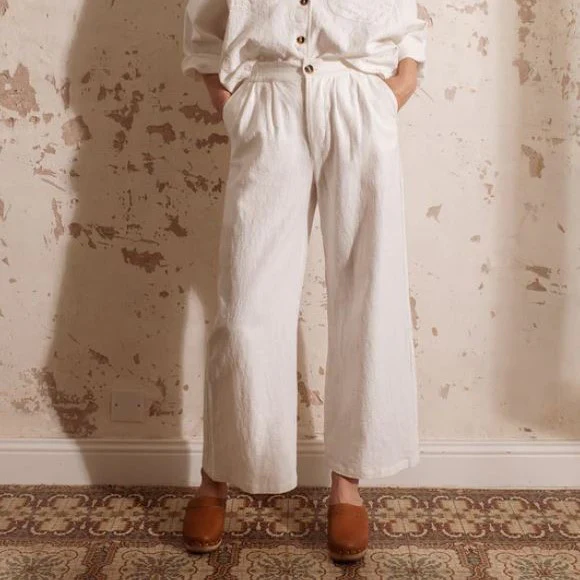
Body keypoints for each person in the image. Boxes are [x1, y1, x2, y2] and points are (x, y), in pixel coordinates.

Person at [180, 0, 427, 563]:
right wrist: (226, 99)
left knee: (369, 293)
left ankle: (347, 484)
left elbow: (411, 17)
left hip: (359, 97)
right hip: (269, 97)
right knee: (247, 306)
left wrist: (401, 83)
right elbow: (203, 20)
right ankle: (217, 475)